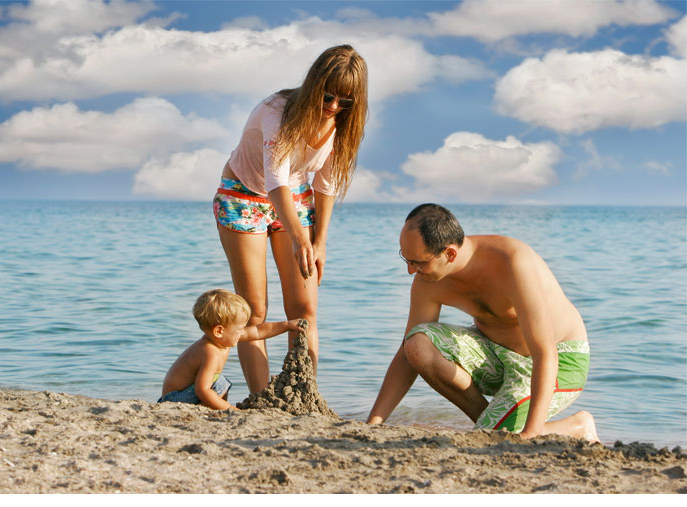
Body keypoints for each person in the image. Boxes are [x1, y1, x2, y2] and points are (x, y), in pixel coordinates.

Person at [367, 204, 599, 442]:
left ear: (450, 254)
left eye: (418, 262)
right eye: (406, 259)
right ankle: (490, 424)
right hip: (497, 355)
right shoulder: (427, 279)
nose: (410, 270)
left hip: (559, 361)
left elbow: (545, 353)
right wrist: (373, 422)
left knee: (502, 436)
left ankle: (578, 427)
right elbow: (407, 355)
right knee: (417, 343)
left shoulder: (513, 262)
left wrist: (531, 434)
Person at [213, 44, 368, 393]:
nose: (333, 108)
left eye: (344, 102)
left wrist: (319, 242)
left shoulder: (342, 124)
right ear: (314, 85)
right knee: (254, 309)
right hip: (244, 195)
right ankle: (261, 397)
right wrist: (300, 239)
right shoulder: (276, 112)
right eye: (327, 97)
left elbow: (326, 185)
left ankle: (303, 393)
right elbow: (275, 182)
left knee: (304, 307)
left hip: (296, 197)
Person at [158, 289, 303, 410]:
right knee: (219, 383)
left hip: (182, 395)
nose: (242, 332)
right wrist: (231, 409)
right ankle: (210, 410)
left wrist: (287, 325)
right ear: (219, 331)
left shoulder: (222, 340)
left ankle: (210, 409)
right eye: (239, 329)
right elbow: (201, 390)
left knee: (219, 384)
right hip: (174, 399)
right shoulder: (210, 352)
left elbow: (258, 331)